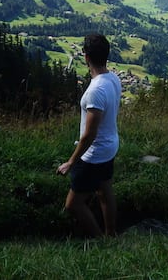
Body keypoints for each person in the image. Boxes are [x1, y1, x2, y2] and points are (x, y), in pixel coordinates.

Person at [57, 33, 121, 237]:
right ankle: (110, 234)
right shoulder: (113, 79)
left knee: (73, 204)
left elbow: (89, 134)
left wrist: (71, 162)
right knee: (104, 191)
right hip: (110, 146)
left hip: (94, 154)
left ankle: (99, 239)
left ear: (86, 57)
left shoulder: (96, 90)